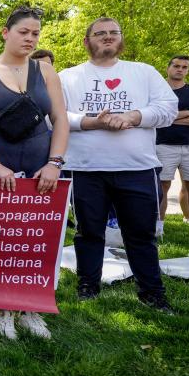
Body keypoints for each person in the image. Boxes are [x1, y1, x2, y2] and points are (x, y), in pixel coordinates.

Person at [0, 7, 69, 340]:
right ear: (6, 32)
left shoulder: (46, 70)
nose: (30, 38)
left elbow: (61, 120)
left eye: (36, 33)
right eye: (24, 31)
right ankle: (3, 309)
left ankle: (32, 309)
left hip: (41, 160)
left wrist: (55, 163)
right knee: (1, 237)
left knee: (37, 237)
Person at [59, 17, 177, 312]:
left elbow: (168, 109)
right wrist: (92, 123)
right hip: (87, 169)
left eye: (114, 33)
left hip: (137, 168)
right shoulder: (68, 77)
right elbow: (56, 117)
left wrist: (133, 117)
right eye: (100, 34)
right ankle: (88, 286)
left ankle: (152, 292)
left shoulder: (144, 72)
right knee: (88, 233)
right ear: (87, 42)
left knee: (141, 234)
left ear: (121, 39)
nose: (108, 37)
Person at [155, 55, 189, 237]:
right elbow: (155, 118)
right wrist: (187, 113)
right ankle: (158, 228)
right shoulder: (158, 91)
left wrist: (170, 118)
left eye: (184, 67)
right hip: (164, 145)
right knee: (162, 187)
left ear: (188, 70)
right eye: (176, 66)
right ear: (168, 68)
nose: (180, 69)